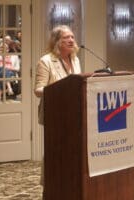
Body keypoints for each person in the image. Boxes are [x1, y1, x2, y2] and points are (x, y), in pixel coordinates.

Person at [33, 25, 81, 192]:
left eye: (72, 37)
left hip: (74, 115)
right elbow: (38, 90)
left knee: (71, 154)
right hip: (55, 115)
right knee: (54, 154)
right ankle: (50, 188)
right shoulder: (46, 61)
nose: (71, 40)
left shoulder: (75, 59)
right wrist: (57, 89)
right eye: (66, 37)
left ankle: (68, 186)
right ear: (56, 41)